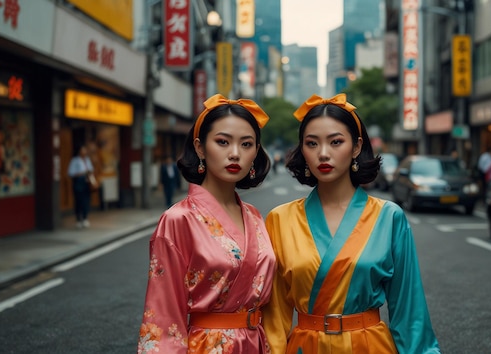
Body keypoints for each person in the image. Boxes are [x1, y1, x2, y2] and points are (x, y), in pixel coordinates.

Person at [262, 94, 440, 353]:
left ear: (356, 147)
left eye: (336, 142)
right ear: (302, 149)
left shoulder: (389, 217)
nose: (323, 154)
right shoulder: (280, 219)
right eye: (312, 144)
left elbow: (409, 311)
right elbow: (274, 317)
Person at [138, 94, 276, 353]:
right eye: (222, 142)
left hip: (256, 343)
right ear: (200, 147)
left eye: (246, 145)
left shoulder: (254, 216)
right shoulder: (178, 220)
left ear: (256, 152)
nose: (235, 154)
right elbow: (163, 316)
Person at [68, 145, 94, 229]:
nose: (84, 152)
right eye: (82, 150)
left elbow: (91, 170)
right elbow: (71, 173)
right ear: (79, 151)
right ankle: (79, 219)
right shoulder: (75, 161)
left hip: (87, 182)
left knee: (86, 200)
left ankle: (85, 218)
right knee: (78, 201)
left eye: (85, 150)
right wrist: (82, 173)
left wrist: (89, 172)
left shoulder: (87, 160)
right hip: (78, 182)